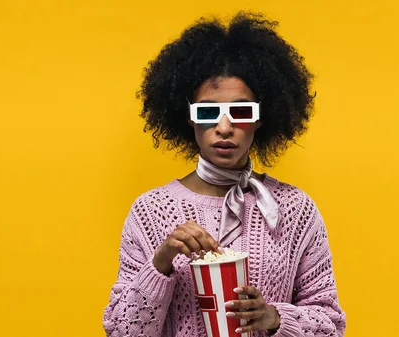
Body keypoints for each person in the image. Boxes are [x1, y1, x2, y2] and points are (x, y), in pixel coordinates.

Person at [103, 12, 346, 337]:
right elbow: (122, 331)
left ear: (263, 117)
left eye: (242, 111)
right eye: (207, 112)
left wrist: (274, 319)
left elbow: (331, 325)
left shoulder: (295, 210)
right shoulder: (150, 212)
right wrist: (161, 262)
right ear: (187, 117)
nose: (224, 128)